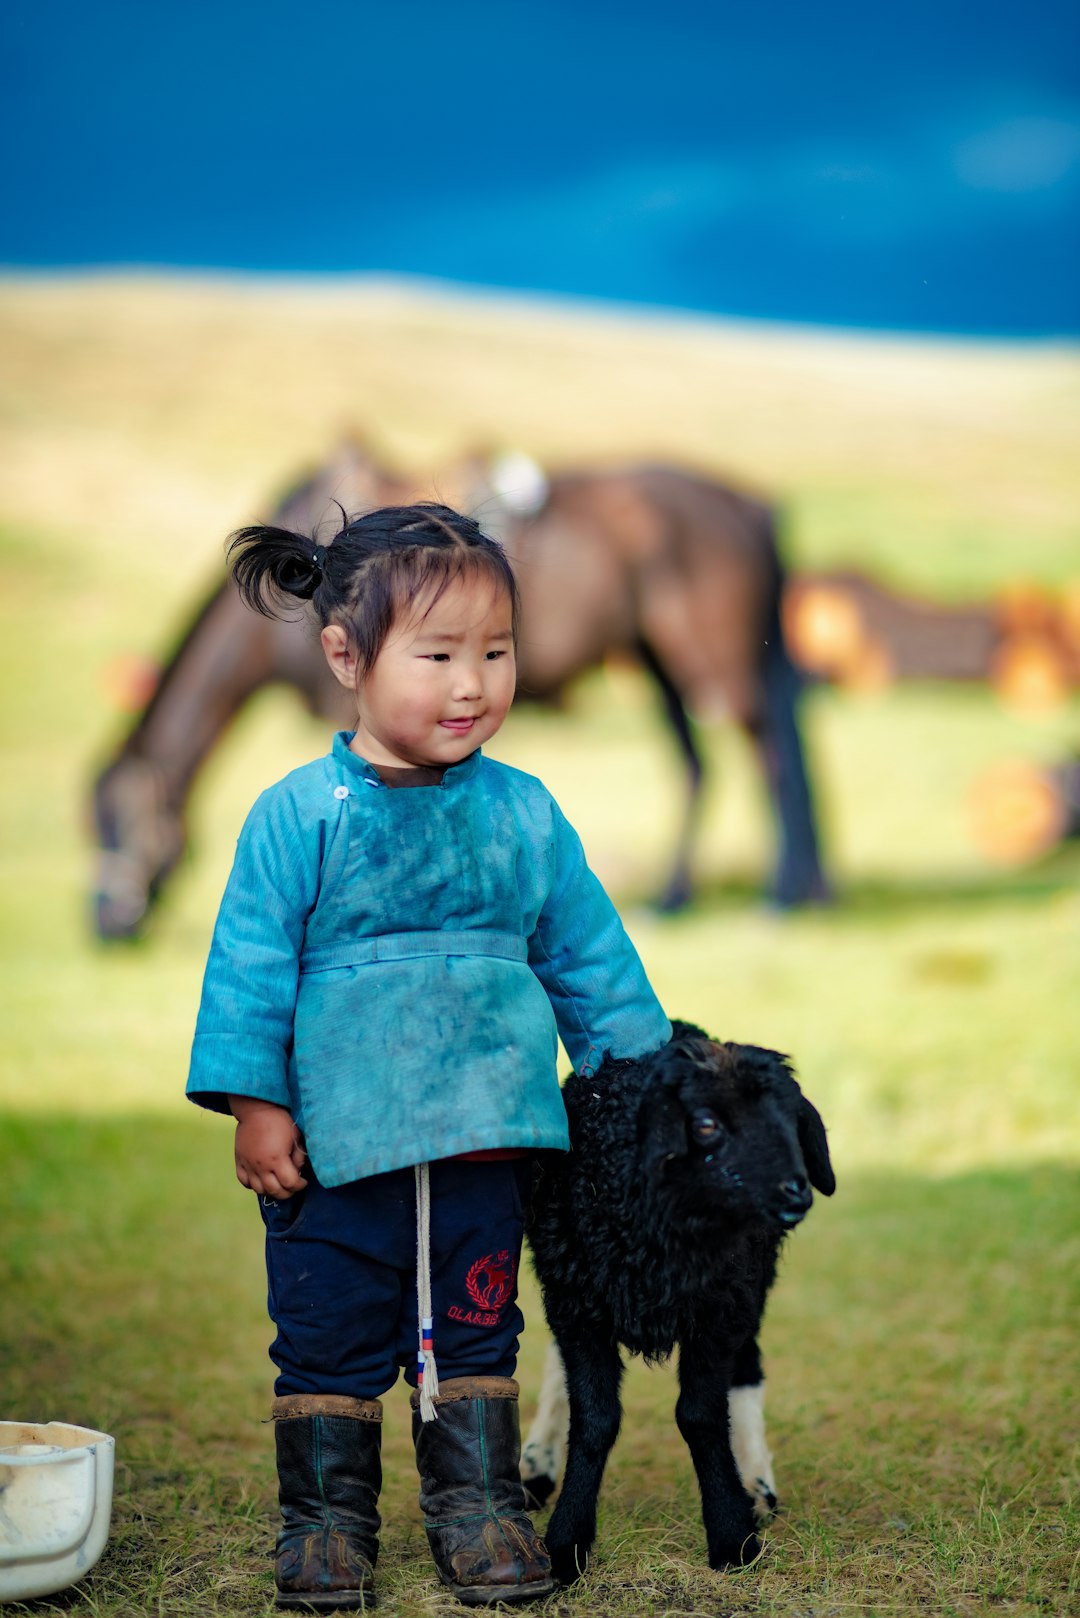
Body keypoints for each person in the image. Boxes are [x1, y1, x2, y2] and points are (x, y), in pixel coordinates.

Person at [186, 503, 672, 1611]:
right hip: (337, 1149)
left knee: (477, 1323)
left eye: (495, 654)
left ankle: (481, 1507)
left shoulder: (525, 815)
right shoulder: (296, 817)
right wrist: (258, 1104)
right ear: (346, 657)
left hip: (485, 1137)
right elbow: (250, 967)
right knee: (326, 1330)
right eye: (440, 654)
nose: (473, 685)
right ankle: (323, 1521)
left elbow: (587, 951)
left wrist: (636, 1071)